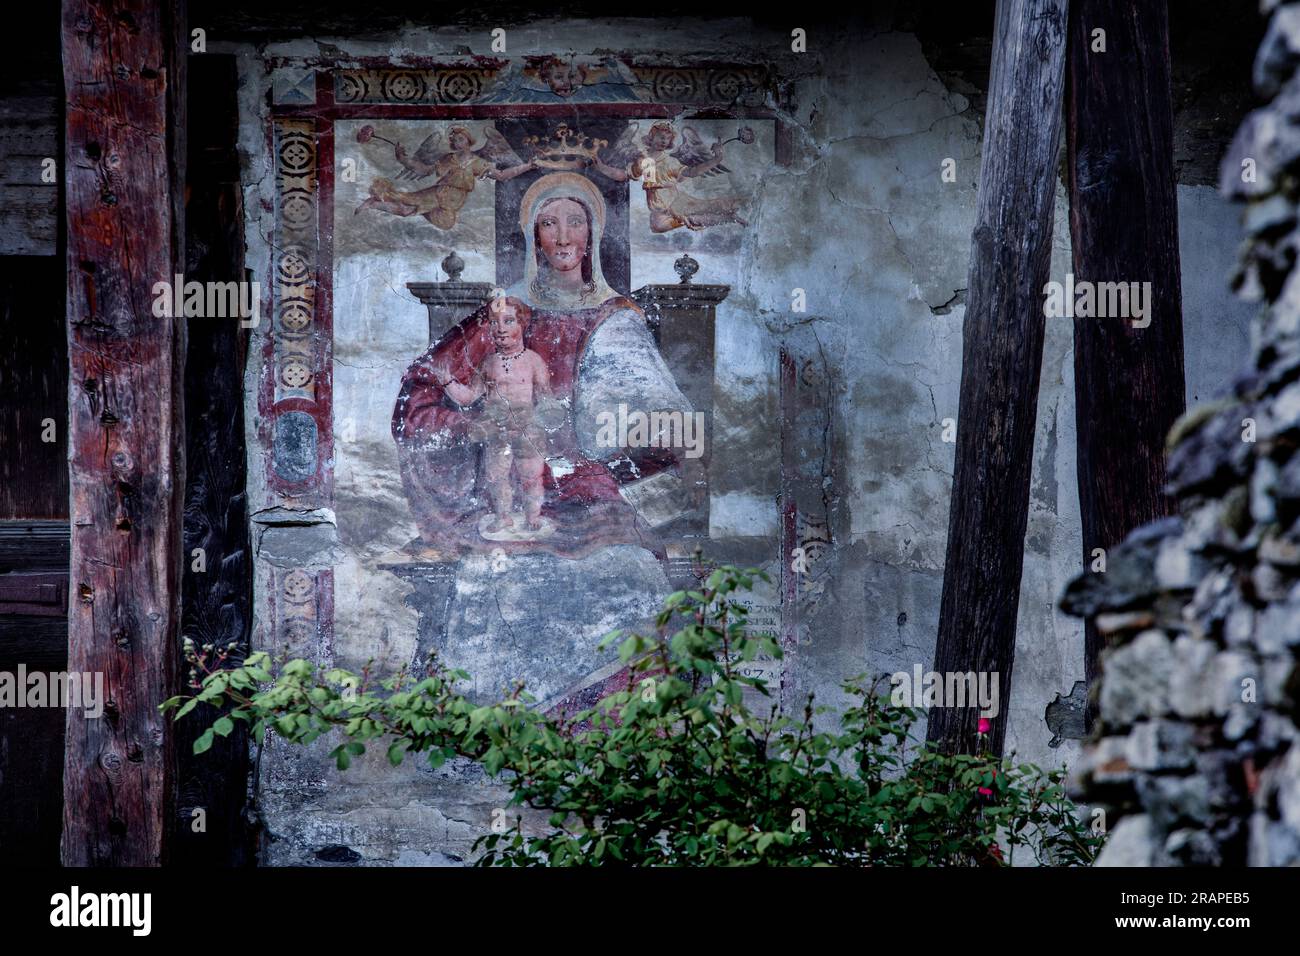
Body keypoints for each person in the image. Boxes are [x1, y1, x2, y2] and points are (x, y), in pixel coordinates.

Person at [392, 171, 693, 558]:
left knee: (623, 555)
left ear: (592, 236)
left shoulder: (616, 317)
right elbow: (424, 384)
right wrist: (469, 426)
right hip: (507, 462)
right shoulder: (507, 313)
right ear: (535, 236)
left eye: (575, 222)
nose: (563, 238)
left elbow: (664, 420)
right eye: (549, 223)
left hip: (585, 475)